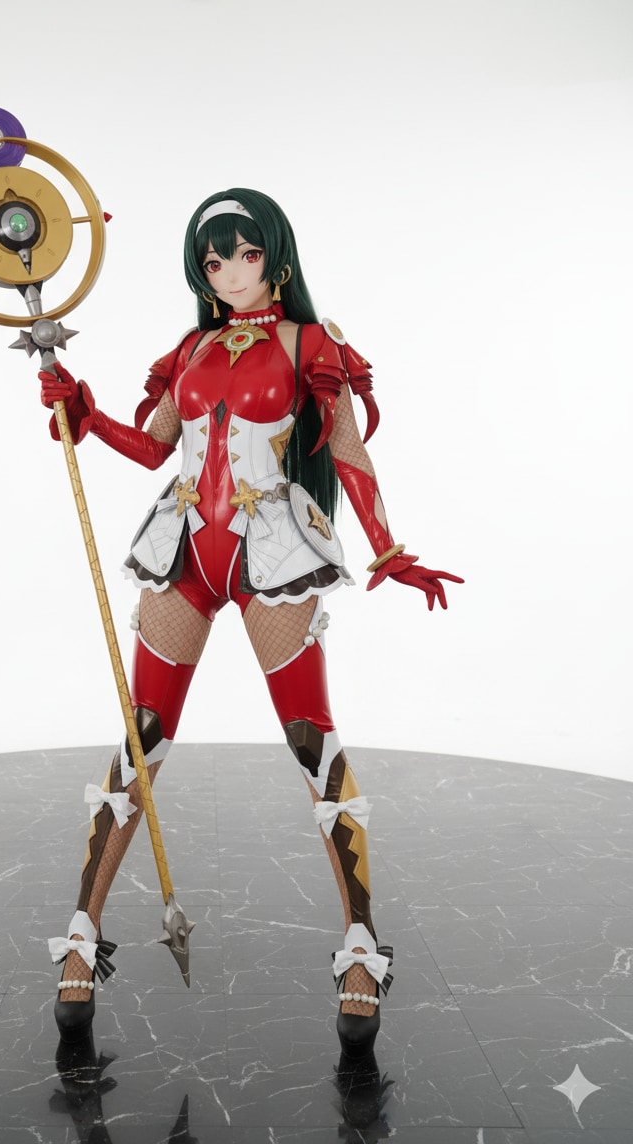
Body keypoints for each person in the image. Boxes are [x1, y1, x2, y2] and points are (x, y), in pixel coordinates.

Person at [40, 188, 461, 1052]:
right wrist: (84, 413)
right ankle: (81, 933)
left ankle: (360, 946)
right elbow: (155, 446)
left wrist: (386, 549)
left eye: (244, 253)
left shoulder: (311, 343)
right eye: (212, 260)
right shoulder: (192, 348)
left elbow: (346, 448)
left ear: (275, 255)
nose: (229, 272)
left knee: (312, 741)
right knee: (142, 738)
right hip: (184, 550)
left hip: (271, 552)